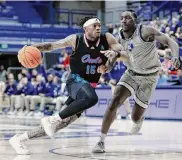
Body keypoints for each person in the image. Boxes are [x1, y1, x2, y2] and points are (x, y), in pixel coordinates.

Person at [9, 16, 129, 155]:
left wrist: (114, 56)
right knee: (91, 99)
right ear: (86, 28)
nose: (98, 27)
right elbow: (51, 46)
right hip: (75, 81)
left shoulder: (107, 38)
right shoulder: (76, 39)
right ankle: (52, 119)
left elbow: (125, 54)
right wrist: (32, 47)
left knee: (60, 124)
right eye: (94, 25)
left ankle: (19, 139)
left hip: (87, 88)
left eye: (99, 25)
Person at [92, 10, 180, 153]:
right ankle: (101, 142)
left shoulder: (145, 31)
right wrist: (104, 68)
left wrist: (175, 57)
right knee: (114, 102)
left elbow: (171, 42)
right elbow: (110, 65)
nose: (124, 20)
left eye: (127, 17)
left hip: (149, 76)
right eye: (121, 18)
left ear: (135, 20)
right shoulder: (118, 39)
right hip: (131, 73)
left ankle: (139, 118)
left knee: (135, 117)